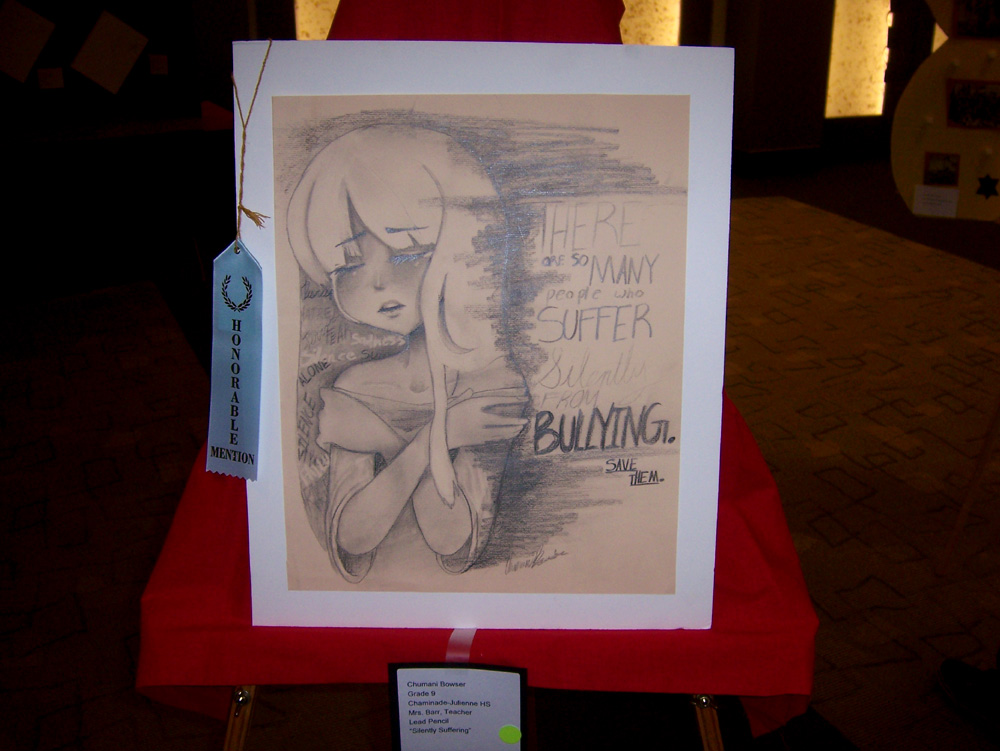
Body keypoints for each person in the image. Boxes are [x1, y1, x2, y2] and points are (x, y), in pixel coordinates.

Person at [287, 124, 529, 582]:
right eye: (350, 263)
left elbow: (450, 536)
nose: (378, 282)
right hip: (357, 611)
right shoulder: (354, 386)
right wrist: (441, 435)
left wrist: (389, 438)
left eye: (407, 251)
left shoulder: (493, 384)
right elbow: (353, 536)